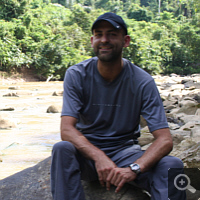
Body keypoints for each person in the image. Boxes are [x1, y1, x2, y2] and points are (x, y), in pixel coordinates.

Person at [51, 12, 186, 200]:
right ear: (92, 40)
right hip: (87, 157)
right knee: (62, 148)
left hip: (125, 155)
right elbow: (66, 130)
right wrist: (99, 157)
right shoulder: (77, 74)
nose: (104, 40)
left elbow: (165, 140)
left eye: (112, 34)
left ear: (126, 41)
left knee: (172, 165)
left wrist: (134, 168)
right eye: (99, 34)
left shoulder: (142, 81)